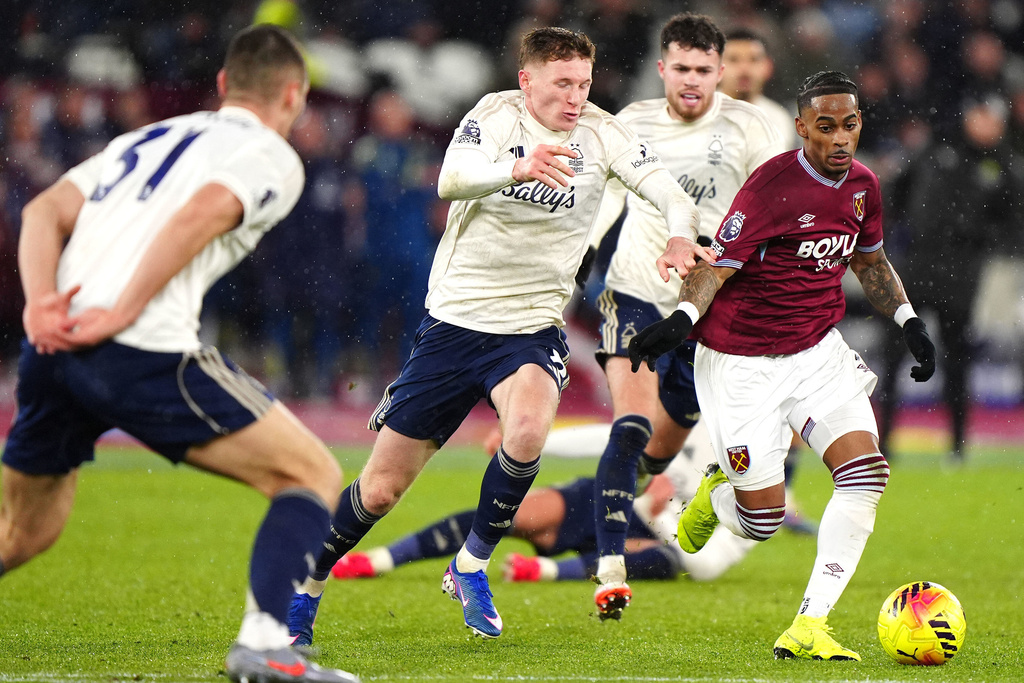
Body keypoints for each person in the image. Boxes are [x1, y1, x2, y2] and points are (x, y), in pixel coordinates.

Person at [287, 26, 711, 643]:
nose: (575, 97)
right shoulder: (494, 115)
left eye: (584, 83)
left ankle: (472, 564)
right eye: (562, 83)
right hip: (454, 326)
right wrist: (517, 166)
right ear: (527, 80)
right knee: (379, 491)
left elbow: (670, 193)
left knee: (530, 429)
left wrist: (678, 232)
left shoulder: (603, 132)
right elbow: (451, 178)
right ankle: (308, 584)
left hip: (529, 327)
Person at [0, 25, 359, 683]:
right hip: (140, 348)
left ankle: (267, 645)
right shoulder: (272, 153)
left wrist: (38, 304)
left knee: (22, 533)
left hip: (53, 347)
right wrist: (127, 307)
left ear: (223, 84)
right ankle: (266, 646)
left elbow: (44, 211)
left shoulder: (149, 135)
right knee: (309, 475)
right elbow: (204, 211)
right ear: (294, 94)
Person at [628, 70, 936, 661]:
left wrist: (909, 323)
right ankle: (719, 492)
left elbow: (870, 263)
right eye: (826, 127)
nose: (840, 138)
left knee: (867, 474)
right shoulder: (771, 186)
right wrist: (680, 321)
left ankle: (810, 623)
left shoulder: (865, 186)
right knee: (761, 522)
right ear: (802, 129)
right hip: (742, 362)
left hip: (817, 353)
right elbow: (716, 265)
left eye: (850, 125)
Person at [586, 13, 785, 620]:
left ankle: (614, 506)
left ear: (720, 73)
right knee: (633, 423)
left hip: (709, 308)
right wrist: (582, 256)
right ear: (662, 69)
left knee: (658, 453)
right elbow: (607, 195)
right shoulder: (632, 123)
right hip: (636, 290)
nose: (692, 80)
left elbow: (770, 215)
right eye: (681, 69)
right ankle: (610, 568)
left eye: (703, 70)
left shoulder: (753, 126)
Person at [329, 420, 756, 585]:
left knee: (664, 561)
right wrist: (538, 440)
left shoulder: (768, 496)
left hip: (646, 537)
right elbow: (616, 435)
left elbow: (706, 564)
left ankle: (546, 571)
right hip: (607, 498)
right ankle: (379, 560)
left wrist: (672, 522)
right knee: (512, 514)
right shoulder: (704, 421)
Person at [878, 98, 1024, 460]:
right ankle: (884, 442)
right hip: (917, 265)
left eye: (993, 118)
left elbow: (1013, 218)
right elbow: (894, 192)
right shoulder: (935, 147)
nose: (987, 124)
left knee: (957, 355)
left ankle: (957, 444)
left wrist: (983, 244)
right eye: (981, 115)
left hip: (961, 273)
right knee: (896, 351)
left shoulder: (1004, 165)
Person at [718, 28, 800, 149]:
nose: (744, 69)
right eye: (733, 59)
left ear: (768, 67)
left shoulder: (779, 119)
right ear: (717, 67)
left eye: (753, 59)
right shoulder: (699, 113)